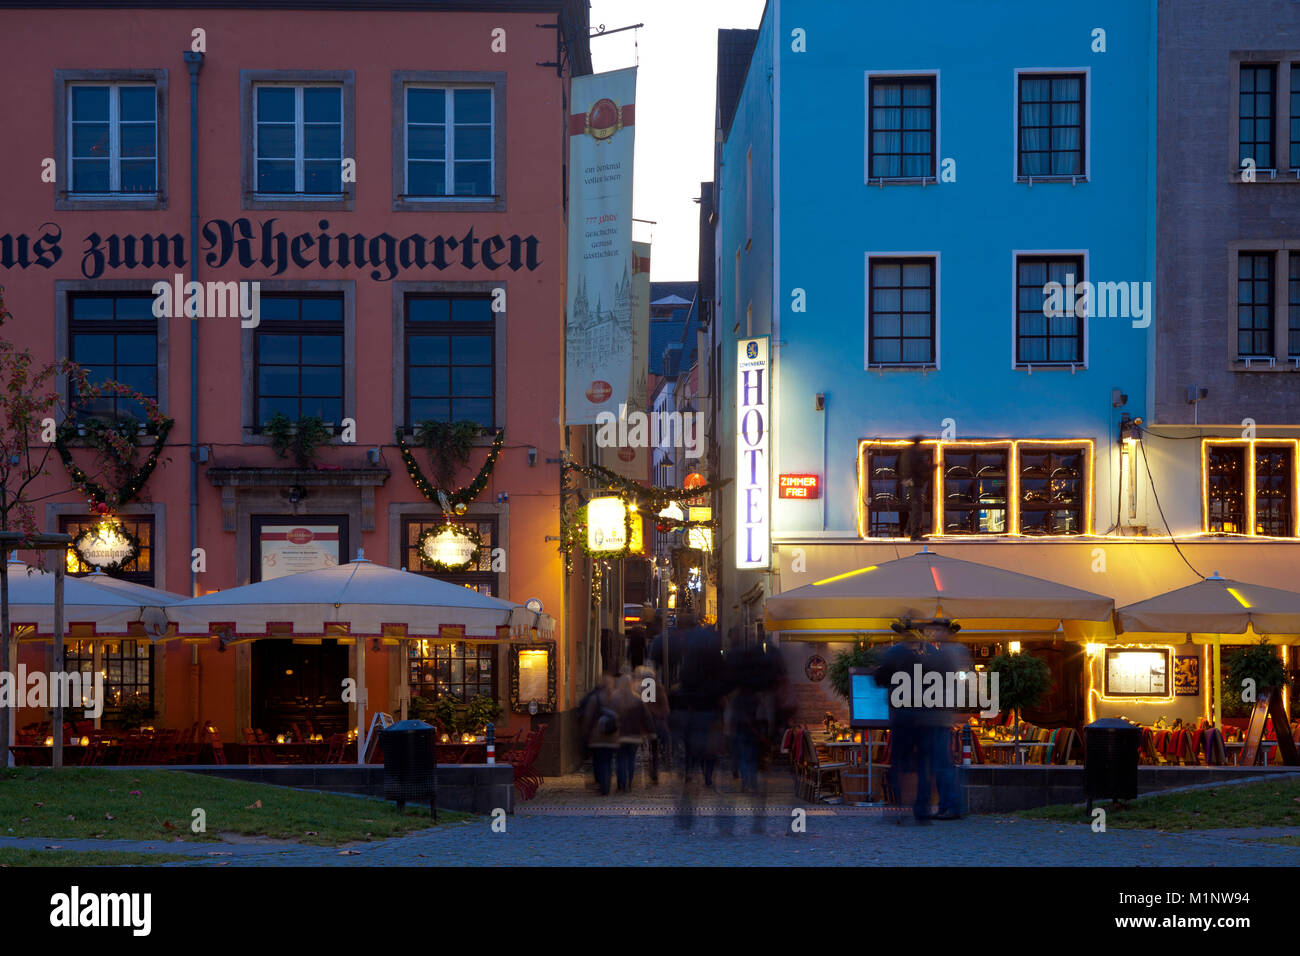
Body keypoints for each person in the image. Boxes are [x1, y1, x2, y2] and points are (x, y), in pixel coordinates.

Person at [579, 673, 620, 795]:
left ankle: (602, 784)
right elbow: (622, 716)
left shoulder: (594, 698)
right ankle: (606, 785)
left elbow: (588, 717)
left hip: (597, 737)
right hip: (612, 737)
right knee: (608, 761)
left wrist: (585, 732)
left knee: (599, 761)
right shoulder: (616, 698)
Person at [613, 672, 654, 792]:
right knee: (631, 759)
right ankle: (629, 782)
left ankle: (621, 784)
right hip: (635, 736)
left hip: (620, 735)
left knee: (620, 760)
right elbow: (646, 717)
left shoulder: (615, 698)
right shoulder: (637, 699)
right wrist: (650, 732)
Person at [897, 435, 929, 541]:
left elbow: (899, 467)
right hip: (915, 484)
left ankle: (908, 530)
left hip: (909, 483)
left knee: (915, 509)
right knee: (917, 510)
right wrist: (935, 466)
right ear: (918, 444)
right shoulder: (915, 454)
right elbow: (920, 468)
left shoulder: (906, 453)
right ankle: (914, 535)